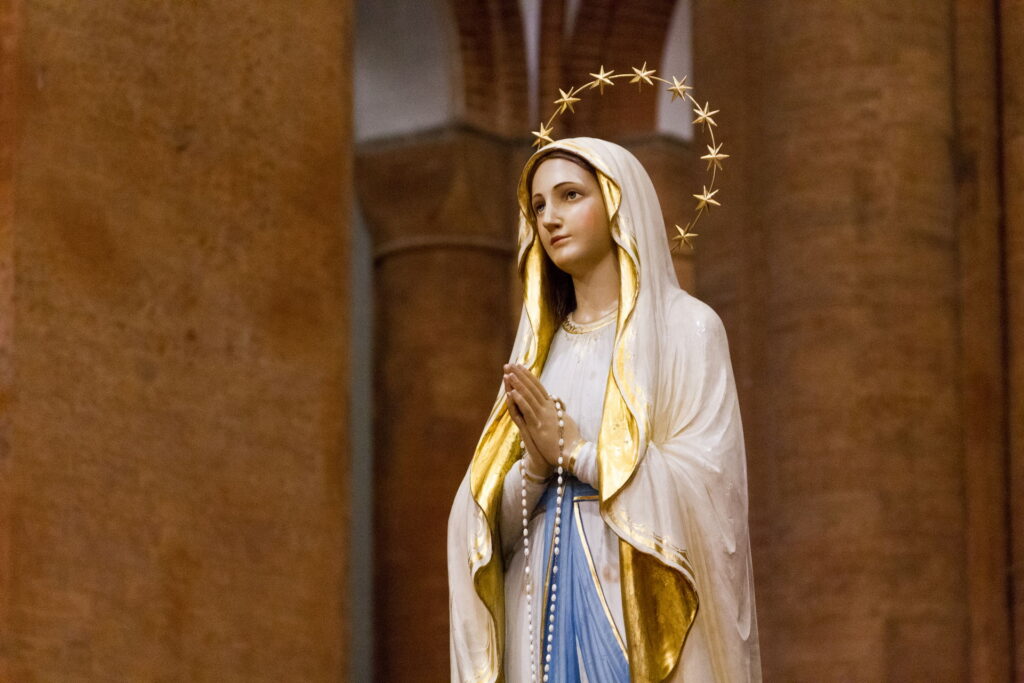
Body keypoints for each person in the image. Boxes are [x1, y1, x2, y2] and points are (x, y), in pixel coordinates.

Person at [448, 137, 761, 682]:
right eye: (539, 205)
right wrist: (535, 469)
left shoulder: (687, 331)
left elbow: (713, 490)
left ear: (620, 202)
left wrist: (581, 454)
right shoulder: (539, 351)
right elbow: (481, 528)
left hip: (635, 597)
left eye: (570, 195)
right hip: (540, 606)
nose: (550, 218)